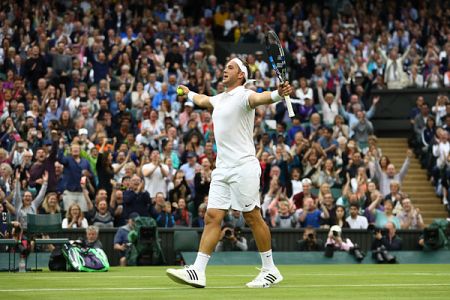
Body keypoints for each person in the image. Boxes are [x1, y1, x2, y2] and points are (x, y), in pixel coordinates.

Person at [166, 57, 292, 288]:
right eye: (225, 67)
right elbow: (203, 100)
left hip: (243, 166)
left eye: (230, 68)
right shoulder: (219, 98)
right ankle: (198, 271)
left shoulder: (245, 95)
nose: (225, 70)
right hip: (222, 169)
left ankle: (270, 269)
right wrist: (188, 92)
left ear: (241, 75)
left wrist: (277, 94)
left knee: (252, 216)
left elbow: (261, 98)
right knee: (212, 217)